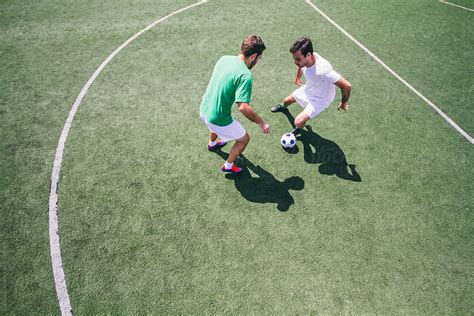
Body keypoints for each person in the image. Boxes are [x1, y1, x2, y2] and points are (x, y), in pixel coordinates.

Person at [200, 35, 270, 174]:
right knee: (244, 139)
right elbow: (243, 107)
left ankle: (212, 144)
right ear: (253, 56)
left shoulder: (224, 58)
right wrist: (261, 123)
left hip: (203, 109)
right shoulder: (245, 76)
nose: (258, 61)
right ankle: (228, 165)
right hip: (217, 119)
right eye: (259, 58)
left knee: (218, 117)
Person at [271, 36, 352, 135]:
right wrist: (298, 77)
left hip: (321, 98)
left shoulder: (323, 71)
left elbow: (346, 85)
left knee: (298, 121)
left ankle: (298, 128)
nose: (295, 62)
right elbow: (301, 66)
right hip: (311, 87)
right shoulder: (308, 59)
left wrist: (343, 103)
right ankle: (283, 107)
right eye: (294, 58)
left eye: (297, 59)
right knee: (286, 101)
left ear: (308, 55)